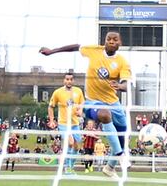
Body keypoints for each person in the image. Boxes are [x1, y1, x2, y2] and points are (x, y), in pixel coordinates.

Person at [40, 31, 132, 178]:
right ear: (105, 41)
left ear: (120, 43)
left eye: (115, 40)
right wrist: (52, 51)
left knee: (121, 137)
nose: (111, 42)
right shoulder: (94, 51)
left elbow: (127, 85)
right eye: (109, 39)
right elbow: (75, 47)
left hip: (114, 103)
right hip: (91, 101)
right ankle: (121, 155)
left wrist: (120, 86)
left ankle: (110, 167)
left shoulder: (122, 62)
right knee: (104, 114)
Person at [48, 72, 85, 175]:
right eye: (67, 79)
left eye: (71, 79)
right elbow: (51, 106)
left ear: (73, 81)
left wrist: (80, 110)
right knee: (71, 142)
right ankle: (67, 168)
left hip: (75, 124)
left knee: (77, 146)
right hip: (63, 123)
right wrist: (51, 120)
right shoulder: (58, 92)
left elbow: (82, 103)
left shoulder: (78, 91)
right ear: (64, 81)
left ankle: (70, 167)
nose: (69, 81)